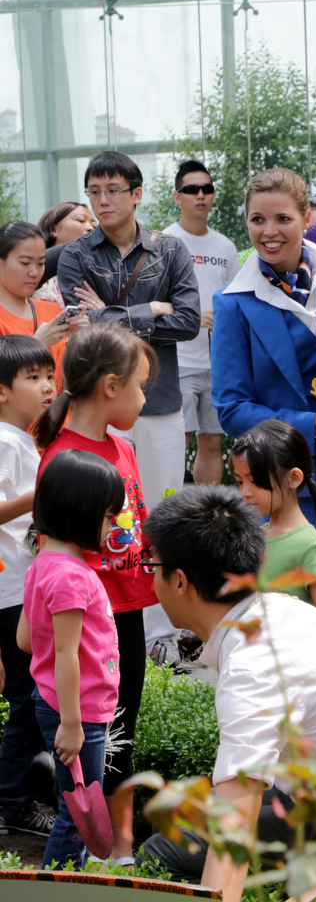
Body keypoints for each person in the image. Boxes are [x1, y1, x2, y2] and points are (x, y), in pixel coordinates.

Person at [141, 485, 316, 896]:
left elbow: (232, 835)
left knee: (161, 851)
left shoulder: (253, 667)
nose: (150, 576)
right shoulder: (284, 613)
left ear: (180, 581)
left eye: (152, 564)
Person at [210, 168, 316, 658]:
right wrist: (310, 425)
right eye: (256, 219)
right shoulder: (233, 305)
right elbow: (231, 409)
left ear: (307, 218)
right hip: (291, 488)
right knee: (307, 631)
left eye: (283, 218)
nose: (269, 231)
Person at [56, 150, 201, 659]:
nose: (102, 201)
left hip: (157, 399)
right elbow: (80, 322)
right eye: (94, 192)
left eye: (113, 190)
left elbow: (186, 320)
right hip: (99, 407)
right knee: (107, 514)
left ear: (137, 194)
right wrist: (147, 310)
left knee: (161, 512)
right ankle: (106, 626)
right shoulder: (76, 254)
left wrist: (115, 315)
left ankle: (162, 632)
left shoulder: (170, 250)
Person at [33, 325, 157, 864]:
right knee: (97, 734)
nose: (145, 398)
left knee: (122, 725)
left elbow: (137, 519)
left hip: (125, 607)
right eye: (141, 386)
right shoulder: (63, 458)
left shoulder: (121, 447)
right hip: (85, 620)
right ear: (111, 386)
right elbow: (53, 551)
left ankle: (116, 839)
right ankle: (95, 842)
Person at [18, 450, 122, 869]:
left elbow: (27, 640)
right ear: (82, 513)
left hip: (54, 703)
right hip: (77, 712)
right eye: (109, 515)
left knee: (73, 803)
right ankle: (55, 883)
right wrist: (73, 725)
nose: (114, 524)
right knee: (79, 812)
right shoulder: (71, 576)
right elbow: (65, 654)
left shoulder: (43, 564)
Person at [0, 335, 56, 837]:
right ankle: (12, 802)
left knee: (28, 693)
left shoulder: (22, 439)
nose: (46, 387)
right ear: (1, 391)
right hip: (9, 593)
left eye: (49, 377)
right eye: (33, 378)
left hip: (22, 588)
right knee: (25, 696)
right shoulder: (3, 441)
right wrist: (44, 493)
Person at [164, 160, 239, 485]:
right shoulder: (164, 241)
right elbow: (149, 302)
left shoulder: (225, 246)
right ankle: (167, 519)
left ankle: (207, 515)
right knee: (178, 440)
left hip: (218, 363)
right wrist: (189, 320)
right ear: (177, 196)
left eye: (206, 188)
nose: (200, 195)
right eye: (191, 189)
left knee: (211, 439)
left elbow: (235, 301)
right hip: (177, 361)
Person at [230, 419, 316, 614]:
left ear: (293, 478)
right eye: (240, 482)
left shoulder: (309, 544)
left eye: (254, 481)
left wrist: (294, 609)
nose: (245, 492)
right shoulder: (254, 536)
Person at [0, 221, 87, 389]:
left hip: (61, 414)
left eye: (40, 263)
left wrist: (82, 340)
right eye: (25, 263)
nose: (34, 272)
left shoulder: (52, 311)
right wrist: (37, 345)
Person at [33, 203, 97, 306]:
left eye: (95, 226)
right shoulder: (32, 273)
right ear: (54, 229)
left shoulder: (96, 275)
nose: (91, 228)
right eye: (81, 220)